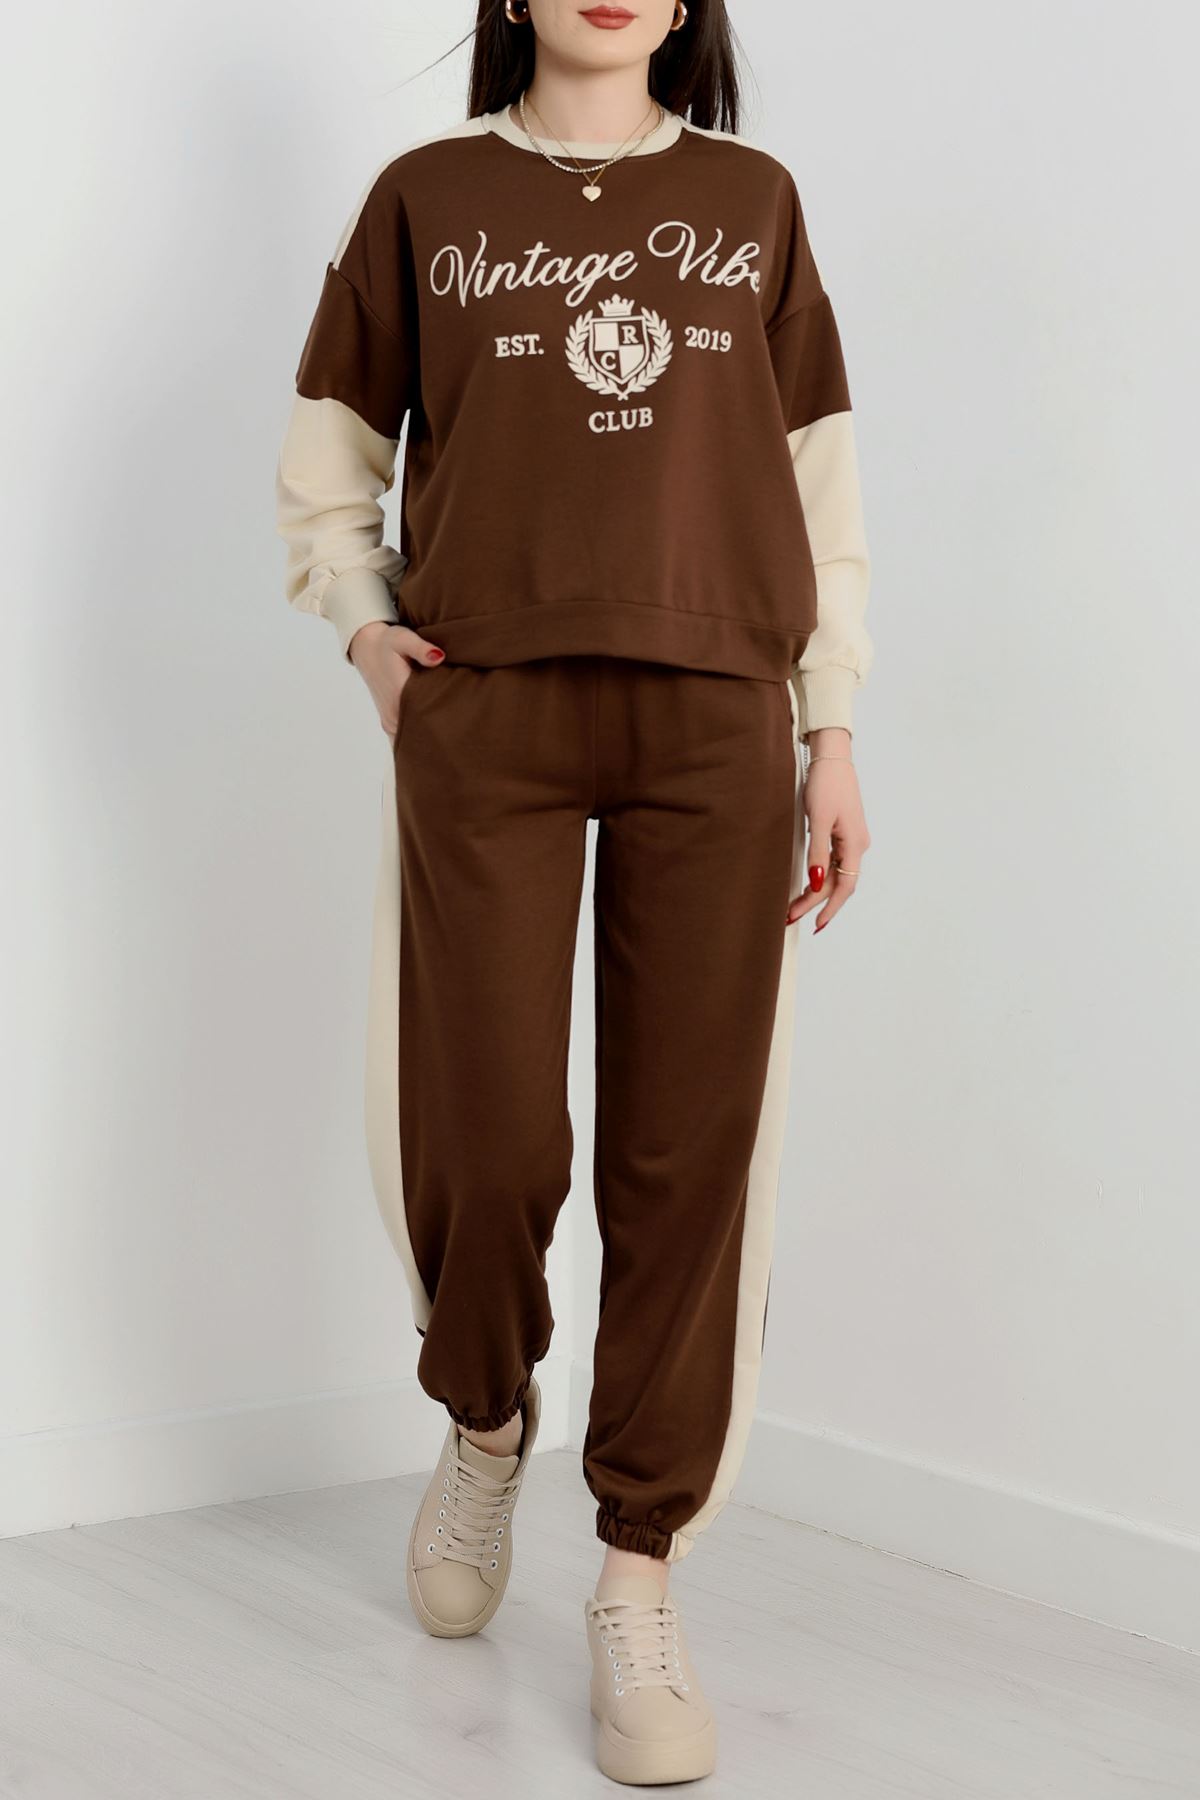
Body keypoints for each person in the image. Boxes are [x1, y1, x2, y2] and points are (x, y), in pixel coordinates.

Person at [275, 0, 871, 1783]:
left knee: (688, 1148)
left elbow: (818, 484)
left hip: (715, 712)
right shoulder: (425, 196)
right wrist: (367, 631)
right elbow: (329, 451)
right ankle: (484, 1416)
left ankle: (637, 1566)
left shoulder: (755, 203)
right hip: (490, 703)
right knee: (489, 1129)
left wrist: (831, 728)